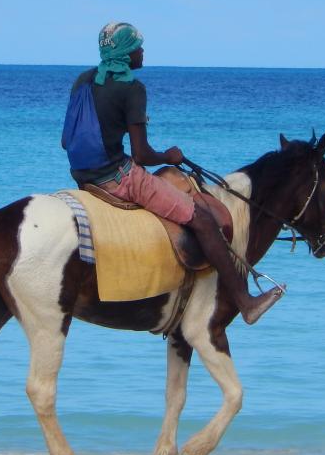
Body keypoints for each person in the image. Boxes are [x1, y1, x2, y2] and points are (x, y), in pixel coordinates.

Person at [62, 22, 283, 324]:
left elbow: (66, 140)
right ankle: (246, 302)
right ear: (126, 53)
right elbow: (142, 155)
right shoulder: (132, 89)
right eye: (137, 47)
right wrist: (170, 156)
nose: (142, 51)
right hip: (117, 178)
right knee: (202, 220)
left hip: (83, 176)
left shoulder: (83, 81)